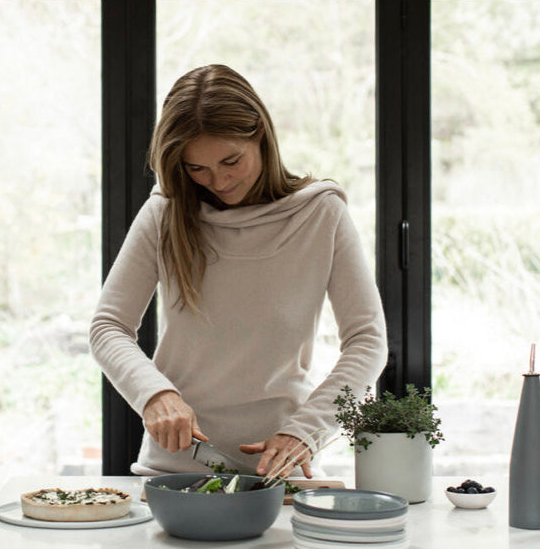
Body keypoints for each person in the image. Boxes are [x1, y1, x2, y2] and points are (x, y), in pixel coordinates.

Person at [90, 64, 387, 480]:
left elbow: (367, 341)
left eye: (231, 160)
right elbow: (108, 327)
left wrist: (306, 432)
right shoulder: (166, 212)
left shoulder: (322, 214)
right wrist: (154, 395)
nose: (219, 180)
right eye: (198, 168)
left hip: (279, 471)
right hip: (174, 470)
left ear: (262, 137)